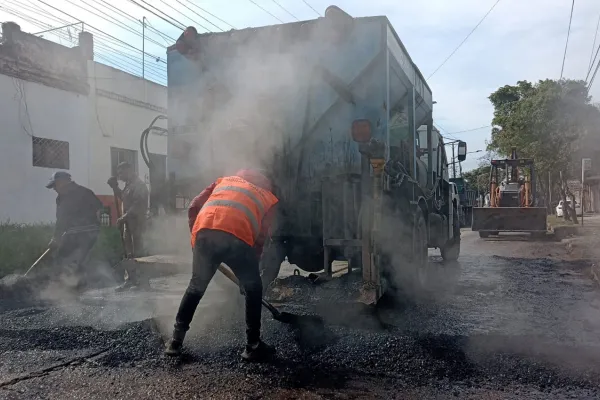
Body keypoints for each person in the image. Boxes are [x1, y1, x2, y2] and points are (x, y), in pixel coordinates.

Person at [165, 168, 279, 362]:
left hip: (204, 234)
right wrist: (250, 275)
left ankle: (175, 342)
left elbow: (193, 207)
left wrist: (197, 239)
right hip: (237, 238)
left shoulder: (223, 181)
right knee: (254, 288)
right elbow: (261, 237)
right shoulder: (268, 197)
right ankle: (253, 346)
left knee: (195, 287)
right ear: (266, 182)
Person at [46, 171, 103, 288]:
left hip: (82, 233)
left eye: (54, 186)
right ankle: (76, 285)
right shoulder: (81, 193)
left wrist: (56, 238)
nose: (54, 189)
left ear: (62, 182)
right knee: (73, 259)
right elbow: (98, 210)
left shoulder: (77, 194)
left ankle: (68, 286)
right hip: (81, 233)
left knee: (65, 258)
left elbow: (62, 220)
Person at [107, 162, 149, 291]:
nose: (120, 176)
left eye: (121, 173)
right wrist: (115, 188)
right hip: (128, 225)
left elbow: (138, 205)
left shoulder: (139, 185)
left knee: (138, 253)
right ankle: (130, 280)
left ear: (129, 170)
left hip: (137, 224)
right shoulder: (129, 186)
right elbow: (125, 199)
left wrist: (123, 217)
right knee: (128, 253)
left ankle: (143, 282)